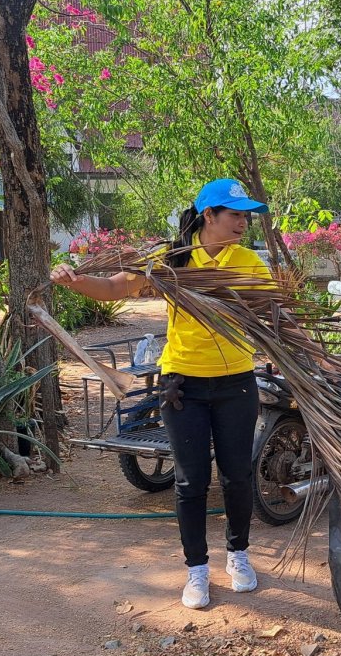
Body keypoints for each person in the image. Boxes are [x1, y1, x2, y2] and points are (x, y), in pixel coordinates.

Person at [51, 178, 273, 610]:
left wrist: (301, 353)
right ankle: (196, 571)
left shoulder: (249, 262)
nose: (243, 223)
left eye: (246, 215)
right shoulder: (170, 260)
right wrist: (74, 281)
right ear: (208, 215)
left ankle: (239, 556)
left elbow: (272, 313)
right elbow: (116, 288)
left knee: (237, 476)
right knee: (192, 482)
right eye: (235, 214)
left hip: (236, 384)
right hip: (182, 386)